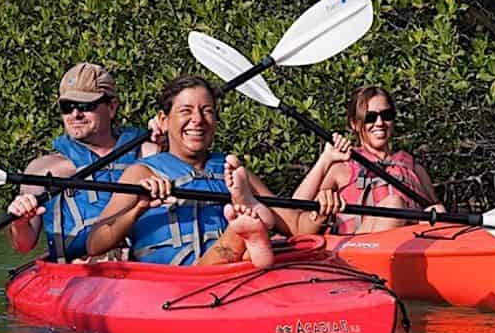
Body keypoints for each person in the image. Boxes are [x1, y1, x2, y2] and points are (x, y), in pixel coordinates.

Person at [85, 75, 342, 268]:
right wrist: (138, 208)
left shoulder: (231, 170)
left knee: (253, 251)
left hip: (232, 279)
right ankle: (244, 229)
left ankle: (247, 231)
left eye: (206, 111)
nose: (198, 119)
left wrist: (321, 211)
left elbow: (296, 226)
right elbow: (94, 243)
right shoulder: (142, 173)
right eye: (186, 111)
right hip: (175, 283)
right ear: (164, 120)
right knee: (243, 238)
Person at [7, 62, 162, 261]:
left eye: (85, 106)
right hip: (76, 269)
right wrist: (19, 222)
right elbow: (24, 245)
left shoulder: (150, 153)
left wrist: (172, 132)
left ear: (112, 107)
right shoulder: (42, 169)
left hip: (142, 269)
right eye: (67, 107)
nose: (75, 114)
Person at [294, 85, 445, 234]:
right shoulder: (342, 168)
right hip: (361, 244)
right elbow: (295, 214)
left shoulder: (414, 168)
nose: (380, 123)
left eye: (386, 115)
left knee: (437, 210)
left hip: (411, 242)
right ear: (354, 124)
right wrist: (325, 160)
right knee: (394, 205)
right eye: (370, 117)